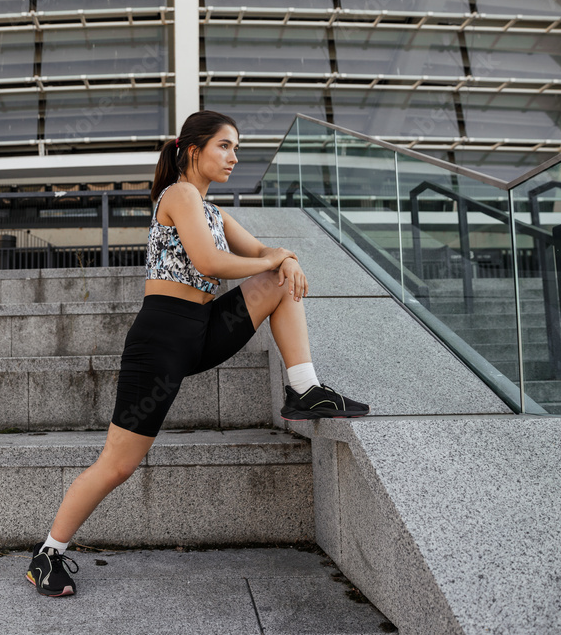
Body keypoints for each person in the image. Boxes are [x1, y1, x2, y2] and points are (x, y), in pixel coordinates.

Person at [26, 110, 369, 597]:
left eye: (236, 149)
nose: (233, 158)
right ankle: (48, 555)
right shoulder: (180, 195)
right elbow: (210, 261)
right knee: (119, 465)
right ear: (194, 150)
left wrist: (284, 258)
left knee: (277, 280)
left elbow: (258, 252)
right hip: (162, 336)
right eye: (224, 146)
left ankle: (305, 390)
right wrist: (278, 257)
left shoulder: (214, 211)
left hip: (204, 328)